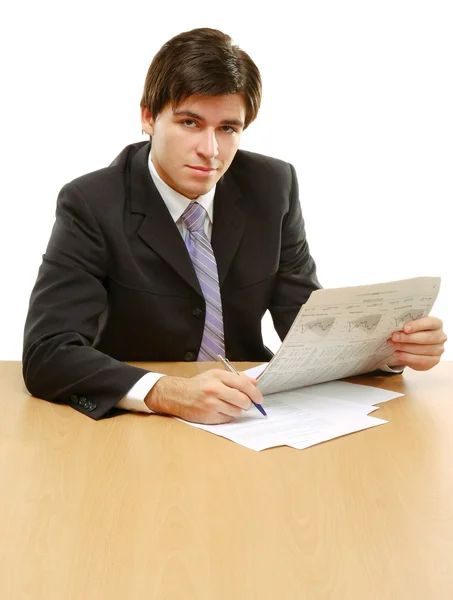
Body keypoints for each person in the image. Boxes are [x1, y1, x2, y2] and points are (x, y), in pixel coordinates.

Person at [22, 28, 447, 424]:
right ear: (149, 117)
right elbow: (48, 352)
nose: (210, 150)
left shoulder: (272, 186)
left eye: (227, 128)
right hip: (137, 426)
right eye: (190, 123)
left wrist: (391, 350)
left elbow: (306, 325)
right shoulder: (91, 202)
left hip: (250, 414)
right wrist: (165, 392)